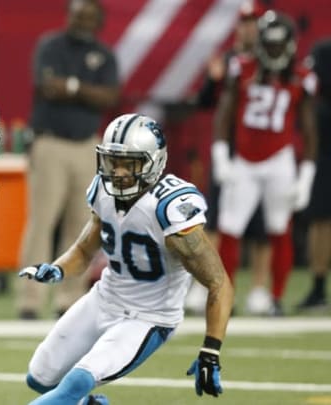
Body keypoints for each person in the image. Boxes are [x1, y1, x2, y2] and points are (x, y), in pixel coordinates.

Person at [19, 113, 234, 404]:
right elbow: (84, 250)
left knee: (75, 384)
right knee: (41, 377)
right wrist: (57, 269)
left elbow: (218, 282)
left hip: (147, 317)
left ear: (153, 162)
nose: (118, 172)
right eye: (113, 162)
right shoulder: (103, 193)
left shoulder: (169, 208)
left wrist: (211, 349)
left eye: (129, 164)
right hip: (104, 299)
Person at [17, 0, 120, 320]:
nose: (82, 22)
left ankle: (69, 299)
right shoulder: (51, 45)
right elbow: (48, 87)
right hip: (51, 142)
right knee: (42, 222)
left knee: (82, 225)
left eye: (89, 17)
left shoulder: (105, 55)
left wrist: (72, 86)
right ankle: (30, 299)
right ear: (69, 16)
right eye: (78, 15)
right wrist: (86, 91)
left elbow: (109, 97)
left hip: (87, 144)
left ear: (98, 21)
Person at [213, 10, 318, 316]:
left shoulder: (302, 78)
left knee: (278, 228)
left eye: (277, 45)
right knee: (230, 227)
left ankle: (274, 296)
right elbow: (224, 114)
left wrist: (306, 178)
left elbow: (309, 131)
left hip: (280, 160)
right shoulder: (241, 68)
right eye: (267, 44)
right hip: (244, 160)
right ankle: (225, 296)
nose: (272, 51)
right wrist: (221, 156)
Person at [184, 1, 274, 316]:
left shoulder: (273, 61)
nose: (248, 29)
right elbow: (205, 102)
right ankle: (207, 284)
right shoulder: (228, 60)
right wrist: (212, 80)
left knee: (262, 226)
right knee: (217, 221)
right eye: (244, 23)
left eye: (253, 23)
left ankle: (259, 290)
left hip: (264, 152)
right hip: (231, 150)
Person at [297, 37, 331, 311]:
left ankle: (319, 288)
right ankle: (318, 286)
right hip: (325, 153)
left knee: (321, 223)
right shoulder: (321, 51)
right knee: (320, 222)